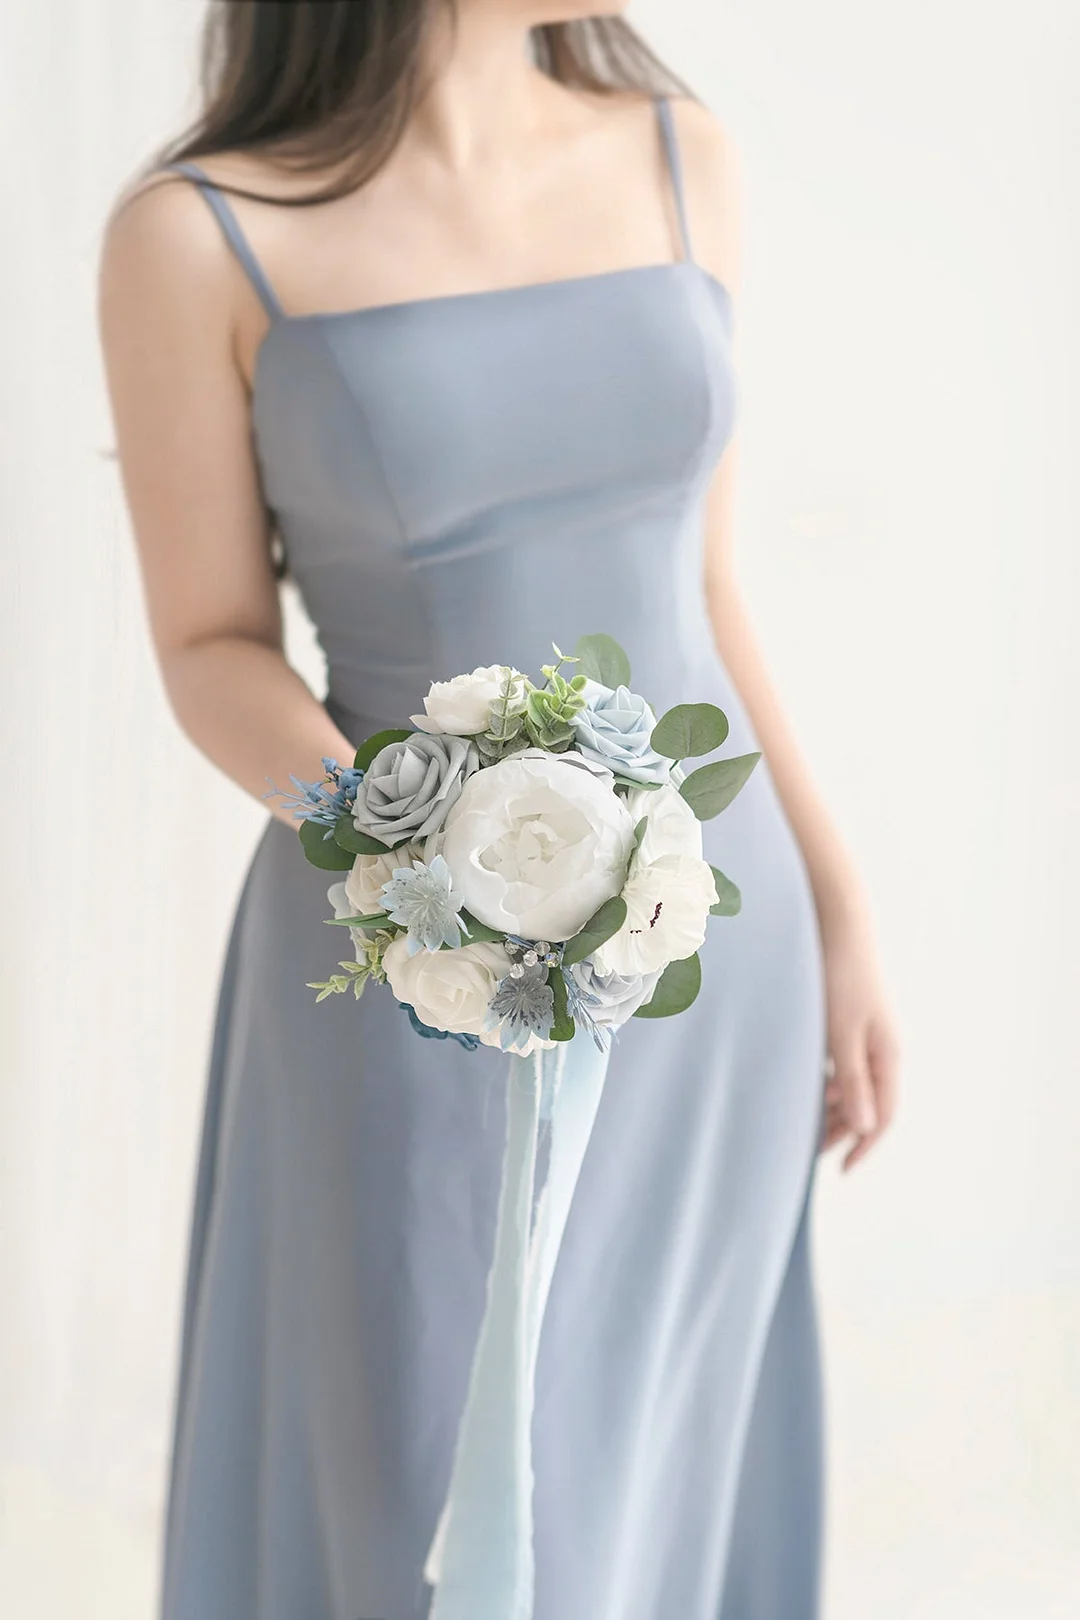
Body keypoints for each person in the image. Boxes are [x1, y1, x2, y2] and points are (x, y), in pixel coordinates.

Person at [98, 4, 900, 1618]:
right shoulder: (197, 236)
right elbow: (208, 648)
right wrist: (426, 856)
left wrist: (840, 905)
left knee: (648, 1482)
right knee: (418, 1507)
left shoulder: (685, 155)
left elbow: (708, 590)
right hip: (409, 976)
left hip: (702, 950)